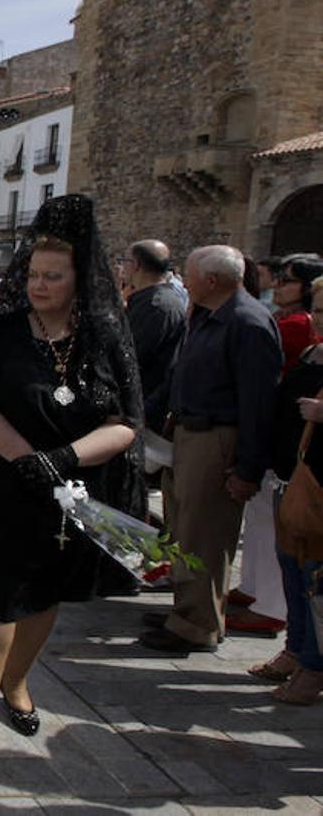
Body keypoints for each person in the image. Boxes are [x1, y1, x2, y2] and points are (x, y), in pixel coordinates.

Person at [0, 194, 142, 776]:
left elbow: (127, 421)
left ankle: (17, 680)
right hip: (1, 487)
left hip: (70, 494)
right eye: (32, 274)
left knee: (43, 593)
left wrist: (63, 458)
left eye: (53, 276)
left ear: (81, 278)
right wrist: (27, 458)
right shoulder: (2, 329)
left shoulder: (105, 334)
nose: (38, 284)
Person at [140, 245, 283, 654]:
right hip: (188, 434)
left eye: (190, 274)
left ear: (213, 280)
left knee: (205, 536)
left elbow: (258, 403)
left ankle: (196, 626)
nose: (185, 281)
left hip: (217, 438)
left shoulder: (247, 323)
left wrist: (247, 469)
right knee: (186, 532)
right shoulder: (207, 318)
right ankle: (188, 612)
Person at [230, 255, 323, 636]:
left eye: (288, 280)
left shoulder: (297, 327)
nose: (279, 285)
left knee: (299, 552)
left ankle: (276, 613)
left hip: (307, 467)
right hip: (285, 457)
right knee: (277, 539)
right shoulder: (310, 345)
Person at [250, 274, 323, 703]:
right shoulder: (313, 350)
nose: (317, 316)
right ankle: (296, 651)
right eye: (316, 306)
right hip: (294, 473)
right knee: (293, 568)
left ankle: (313, 666)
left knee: (314, 578)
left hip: (316, 482)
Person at [124, 240, 186, 434]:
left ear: (135, 265)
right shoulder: (153, 301)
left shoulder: (156, 306)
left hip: (140, 406)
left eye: (124, 261)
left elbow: (129, 357)